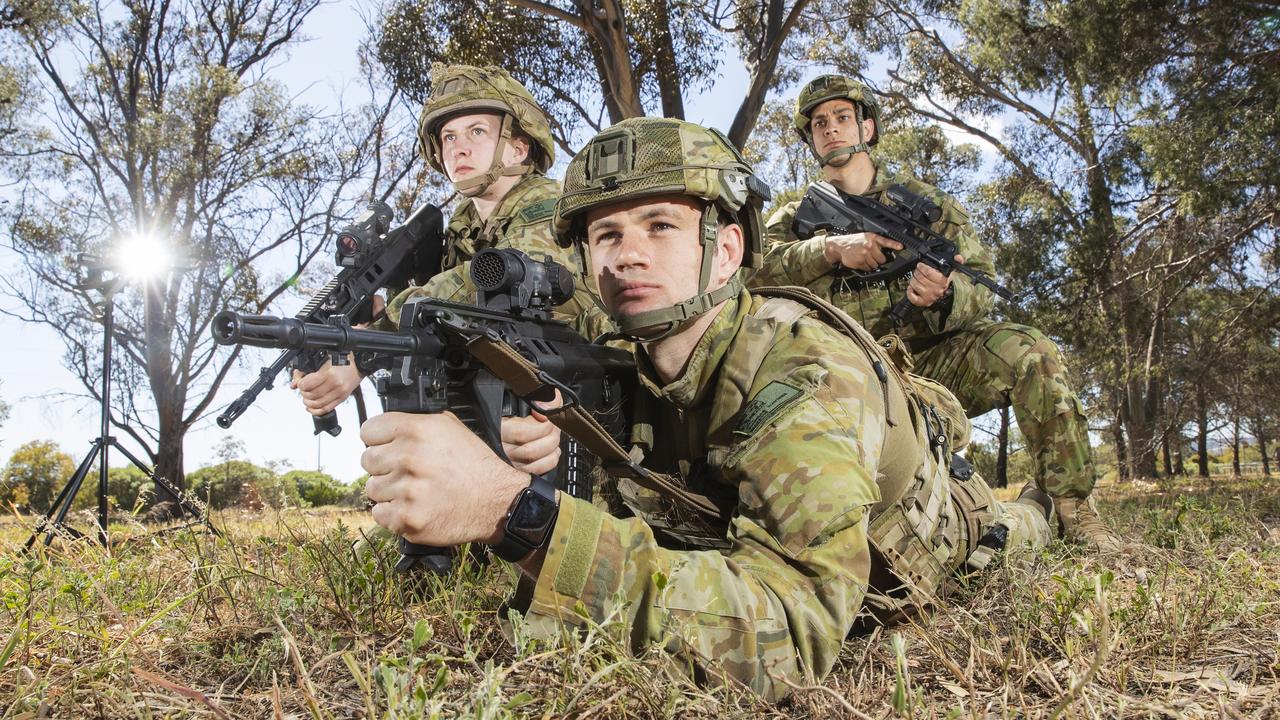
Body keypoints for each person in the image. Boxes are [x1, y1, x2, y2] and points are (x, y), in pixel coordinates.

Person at [358, 117, 1054, 699]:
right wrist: (559, 453)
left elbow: (792, 638)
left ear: (726, 252)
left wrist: (515, 513)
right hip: (738, 523)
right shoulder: (631, 362)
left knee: (1016, 529)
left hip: (939, 538)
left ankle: (1043, 510)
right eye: (605, 235)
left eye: (659, 226)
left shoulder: (802, 367)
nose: (626, 255)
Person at [754, 74, 1120, 551]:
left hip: (929, 364)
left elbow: (980, 284)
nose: (831, 129)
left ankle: (1074, 508)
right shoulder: (789, 219)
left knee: (1031, 352)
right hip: (840, 381)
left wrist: (944, 297)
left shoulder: (926, 206)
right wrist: (828, 250)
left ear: (868, 128)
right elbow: (750, 277)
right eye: (819, 123)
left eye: (843, 117)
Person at [292, 64, 600, 417]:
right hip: (505, 397)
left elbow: (484, 282)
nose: (459, 149)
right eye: (449, 137)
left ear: (518, 148)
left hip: (583, 397)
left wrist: (366, 346)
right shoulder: (464, 226)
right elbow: (444, 319)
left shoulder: (546, 205)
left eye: (477, 131)